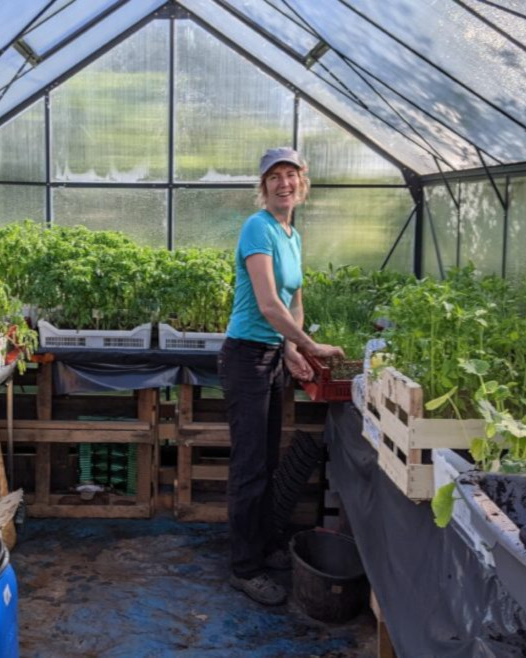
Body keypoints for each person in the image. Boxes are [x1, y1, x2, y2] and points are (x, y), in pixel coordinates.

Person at [218, 147, 345, 606]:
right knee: (250, 466)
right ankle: (244, 567)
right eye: (274, 176)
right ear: (263, 185)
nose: (283, 183)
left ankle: (264, 546)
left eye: (291, 175)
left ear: (302, 183)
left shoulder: (291, 233)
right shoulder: (258, 227)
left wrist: (292, 347)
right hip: (246, 358)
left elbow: (294, 300)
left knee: (267, 459)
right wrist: (311, 345)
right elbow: (268, 303)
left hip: (271, 355)